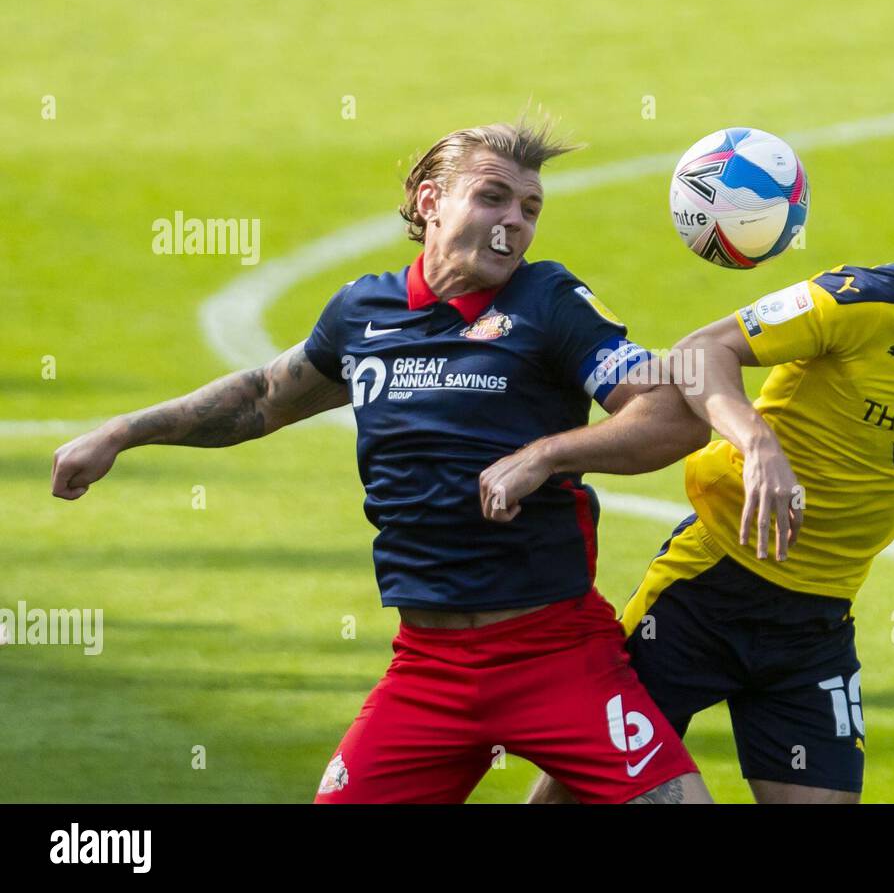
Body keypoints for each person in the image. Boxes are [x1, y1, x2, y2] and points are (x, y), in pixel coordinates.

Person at [51, 119, 712, 804]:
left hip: (554, 654)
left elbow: (675, 415)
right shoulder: (364, 314)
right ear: (429, 201)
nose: (514, 222)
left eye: (530, 209)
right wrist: (122, 432)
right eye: (493, 198)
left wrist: (548, 454)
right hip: (429, 669)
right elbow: (260, 400)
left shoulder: (548, 303)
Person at [487, 155, 894, 803]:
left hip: (816, 624)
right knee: (581, 794)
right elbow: (699, 351)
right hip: (708, 594)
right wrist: (757, 441)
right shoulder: (858, 300)